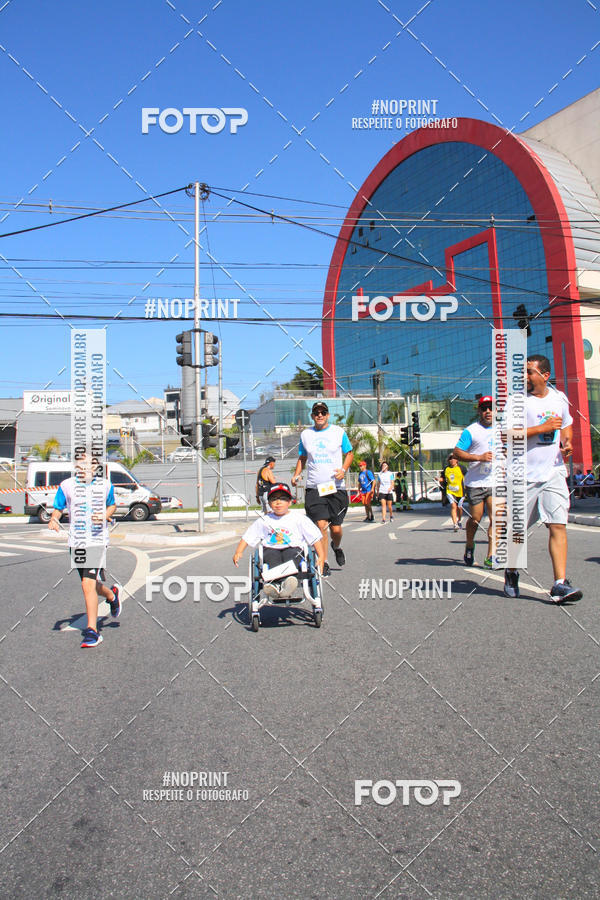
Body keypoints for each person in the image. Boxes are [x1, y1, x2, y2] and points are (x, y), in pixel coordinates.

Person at [503, 354, 582, 603]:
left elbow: (566, 424)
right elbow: (506, 435)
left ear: (545, 375)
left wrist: (567, 442)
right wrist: (542, 428)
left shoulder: (559, 398)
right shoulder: (516, 402)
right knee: (517, 531)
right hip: (523, 475)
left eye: (529, 372)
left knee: (558, 524)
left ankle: (560, 583)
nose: (524, 377)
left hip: (554, 472)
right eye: (523, 372)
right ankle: (512, 570)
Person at [48, 454, 121, 648]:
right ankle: (112, 595)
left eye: (91, 463)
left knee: (86, 585)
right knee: (90, 584)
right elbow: (58, 507)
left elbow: (112, 505)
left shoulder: (105, 485)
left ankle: (92, 631)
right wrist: (54, 519)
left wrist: (105, 514)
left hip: (97, 540)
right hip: (77, 542)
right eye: (82, 463)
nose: (87, 466)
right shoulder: (66, 485)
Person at [291, 401, 353, 577]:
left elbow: (349, 453)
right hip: (314, 487)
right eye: (316, 412)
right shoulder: (306, 434)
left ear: (327, 415)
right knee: (321, 526)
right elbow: (302, 457)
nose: (320, 415)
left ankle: (337, 546)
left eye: (323, 412)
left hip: (335, 488)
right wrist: (296, 475)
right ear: (312, 416)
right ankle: (323, 561)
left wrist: (343, 470)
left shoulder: (338, 432)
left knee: (336, 529)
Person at [232, 482, 325, 598]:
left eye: (283, 498)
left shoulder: (299, 518)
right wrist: (238, 552)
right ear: (269, 503)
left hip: (293, 548)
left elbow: (314, 537)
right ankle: (275, 585)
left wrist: (321, 556)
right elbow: (249, 536)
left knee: (292, 555)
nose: (278, 502)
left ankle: (288, 582)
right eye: (274, 499)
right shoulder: (264, 520)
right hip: (270, 548)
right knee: (271, 557)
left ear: (290, 502)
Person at [454, 396, 499, 568]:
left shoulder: (503, 429)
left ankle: (491, 556)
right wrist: (478, 457)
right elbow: (457, 452)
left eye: (491, 408)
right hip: (475, 483)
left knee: (496, 518)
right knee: (476, 518)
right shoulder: (471, 431)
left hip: (495, 481)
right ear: (479, 411)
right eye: (484, 408)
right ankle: (470, 544)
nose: (488, 411)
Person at [444, 454, 465, 531]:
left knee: (459, 507)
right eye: (450, 459)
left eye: (453, 458)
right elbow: (443, 479)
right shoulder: (446, 469)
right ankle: (455, 524)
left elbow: (467, 476)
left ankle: (459, 521)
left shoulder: (461, 468)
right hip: (450, 491)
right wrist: (438, 479)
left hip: (460, 491)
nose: (452, 460)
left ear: (457, 460)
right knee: (453, 506)